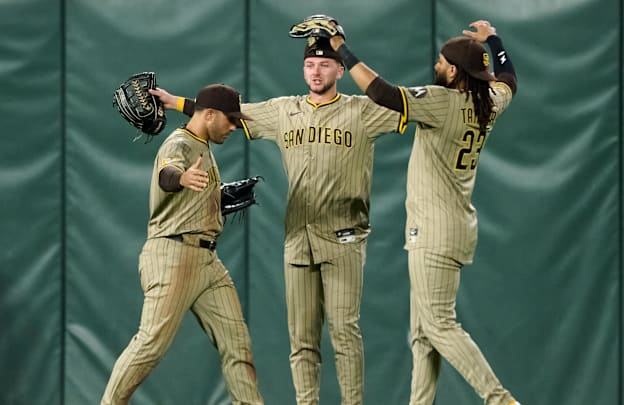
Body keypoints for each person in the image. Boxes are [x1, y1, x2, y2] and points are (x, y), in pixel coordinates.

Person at [151, 38, 407, 405]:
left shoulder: (364, 110)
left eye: (325, 64)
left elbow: (403, 106)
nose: (315, 71)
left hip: (345, 237)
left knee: (344, 333)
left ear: (339, 70)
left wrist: (349, 51)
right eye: (309, 65)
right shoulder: (285, 110)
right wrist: (176, 102)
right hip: (299, 237)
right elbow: (229, 114)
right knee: (302, 340)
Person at [326, 20, 521, 405]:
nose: (436, 65)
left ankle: (501, 400)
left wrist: (341, 50)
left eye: (441, 61)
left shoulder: (442, 100)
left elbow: (382, 93)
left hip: (433, 230)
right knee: (422, 335)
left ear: (453, 71)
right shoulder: (490, 101)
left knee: (439, 324)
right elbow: (509, 78)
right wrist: (494, 41)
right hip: (456, 225)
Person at [101, 84, 264, 405]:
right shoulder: (180, 143)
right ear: (211, 116)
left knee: (237, 344)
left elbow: (202, 114)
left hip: (207, 262)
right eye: (230, 120)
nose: (234, 126)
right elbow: (167, 173)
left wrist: (217, 198)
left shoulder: (202, 140)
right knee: (150, 345)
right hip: (173, 255)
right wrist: (182, 179)